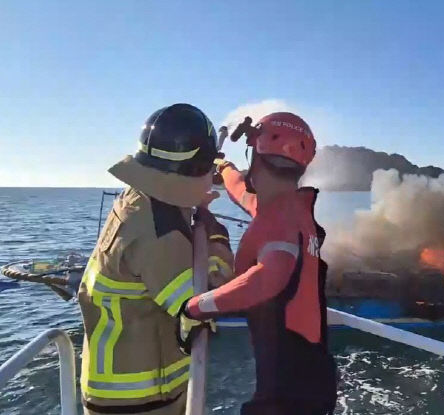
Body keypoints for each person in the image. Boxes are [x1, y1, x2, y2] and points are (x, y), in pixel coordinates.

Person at [78, 103, 234, 415]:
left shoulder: (140, 199)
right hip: (140, 400)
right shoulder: (161, 234)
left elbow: (170, 200)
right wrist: (216, 236)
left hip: (117, 391)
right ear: (193, 170)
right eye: (209, 168)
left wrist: (190, 200)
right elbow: (211, 297)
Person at [180, 112, 338, 415]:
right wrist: (222, 166)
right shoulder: (285, 206)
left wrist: (193, 308)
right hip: (311, 378)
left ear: (255, 154)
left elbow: (269, 278)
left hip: (289, 396)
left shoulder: (279, 220)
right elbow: (241, 190)